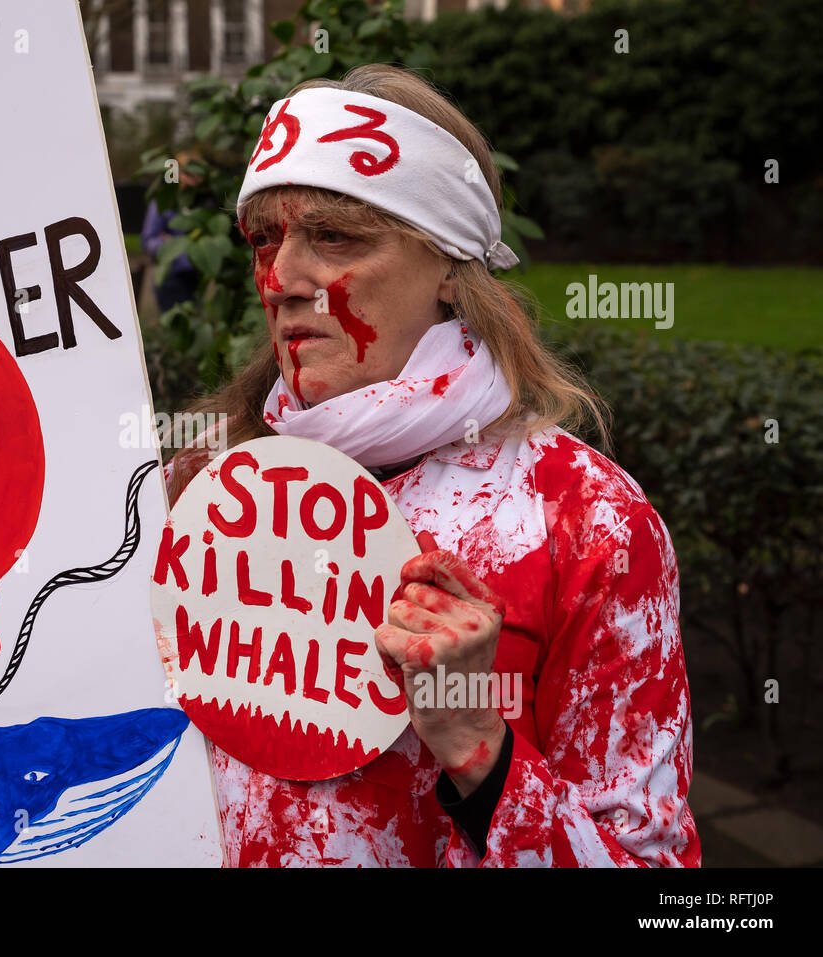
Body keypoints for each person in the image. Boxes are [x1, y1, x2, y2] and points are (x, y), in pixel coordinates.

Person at [166, 64, 700, 867]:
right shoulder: (198, 487)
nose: (278, 280)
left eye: (336, 235)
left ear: (449, 265)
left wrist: (478, 745)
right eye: (265, 239)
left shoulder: (584, 520)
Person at [141, 149, 205, 313]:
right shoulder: (164, 202)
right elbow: (149, 240)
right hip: (171, 277)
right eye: (188, 174)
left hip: (196, 277)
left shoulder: (203, 204)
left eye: (196, 175)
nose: (193, 180)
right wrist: (175, 247)